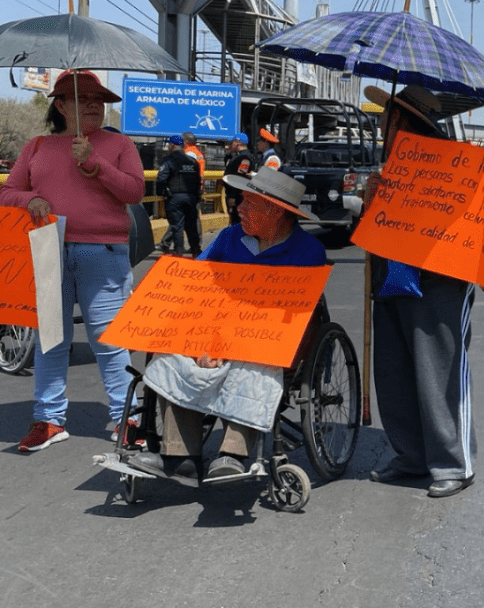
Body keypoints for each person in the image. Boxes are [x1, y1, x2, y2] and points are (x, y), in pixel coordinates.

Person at [127, 169, 326, 483]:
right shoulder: (229, 237)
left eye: (249, 203)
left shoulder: (308, 251)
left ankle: (233, 453)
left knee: (254, 368)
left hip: (266, 338)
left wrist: (231, 346)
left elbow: (287, 318)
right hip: (215, 330)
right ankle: (180, 456)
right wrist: (199, 341)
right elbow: (196, 283)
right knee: (170, 358)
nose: (239, 208)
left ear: (276, 211)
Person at [0, 70, 144, 452]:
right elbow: (7, 192)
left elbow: (134, 192)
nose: (94, 105)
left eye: (99, 100)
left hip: (103, 251)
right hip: (47, 249)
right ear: (61, 106)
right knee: (50, 340)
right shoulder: (37, 146)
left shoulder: (119, 144)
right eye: (83, 99)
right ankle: (49, 419)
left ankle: (129, 418)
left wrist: (95, 163)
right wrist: (29, 199)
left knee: (109, 340)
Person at [362, 83, 477, 498]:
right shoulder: (390, 162)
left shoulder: (449, 162)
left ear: (399, 118)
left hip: (437, 280)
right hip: (391, 276)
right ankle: (411, 454)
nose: (380, 122)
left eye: (385, 114)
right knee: (394, 370)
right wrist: (373, 199)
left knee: (438, 371)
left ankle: (454, 462)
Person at [156, 135, 202, 257]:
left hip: (174, 197)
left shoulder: (168, 160)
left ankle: (179, 252)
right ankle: (196, 251)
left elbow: (161, 179)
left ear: (171, 145)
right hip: (191, 198)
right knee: (191, 226)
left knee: (177, 226)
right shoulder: (192, 161)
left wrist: (160, 193)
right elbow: (198, 180)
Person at [223, 132, 255, 225]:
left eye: (232, 143)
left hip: (239, 196)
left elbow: (240, 177)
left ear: (237, 143)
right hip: (236, 195)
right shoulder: (238, 156)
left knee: (238, 221)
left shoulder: (244, 157)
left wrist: (233, 196)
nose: (230, 145)